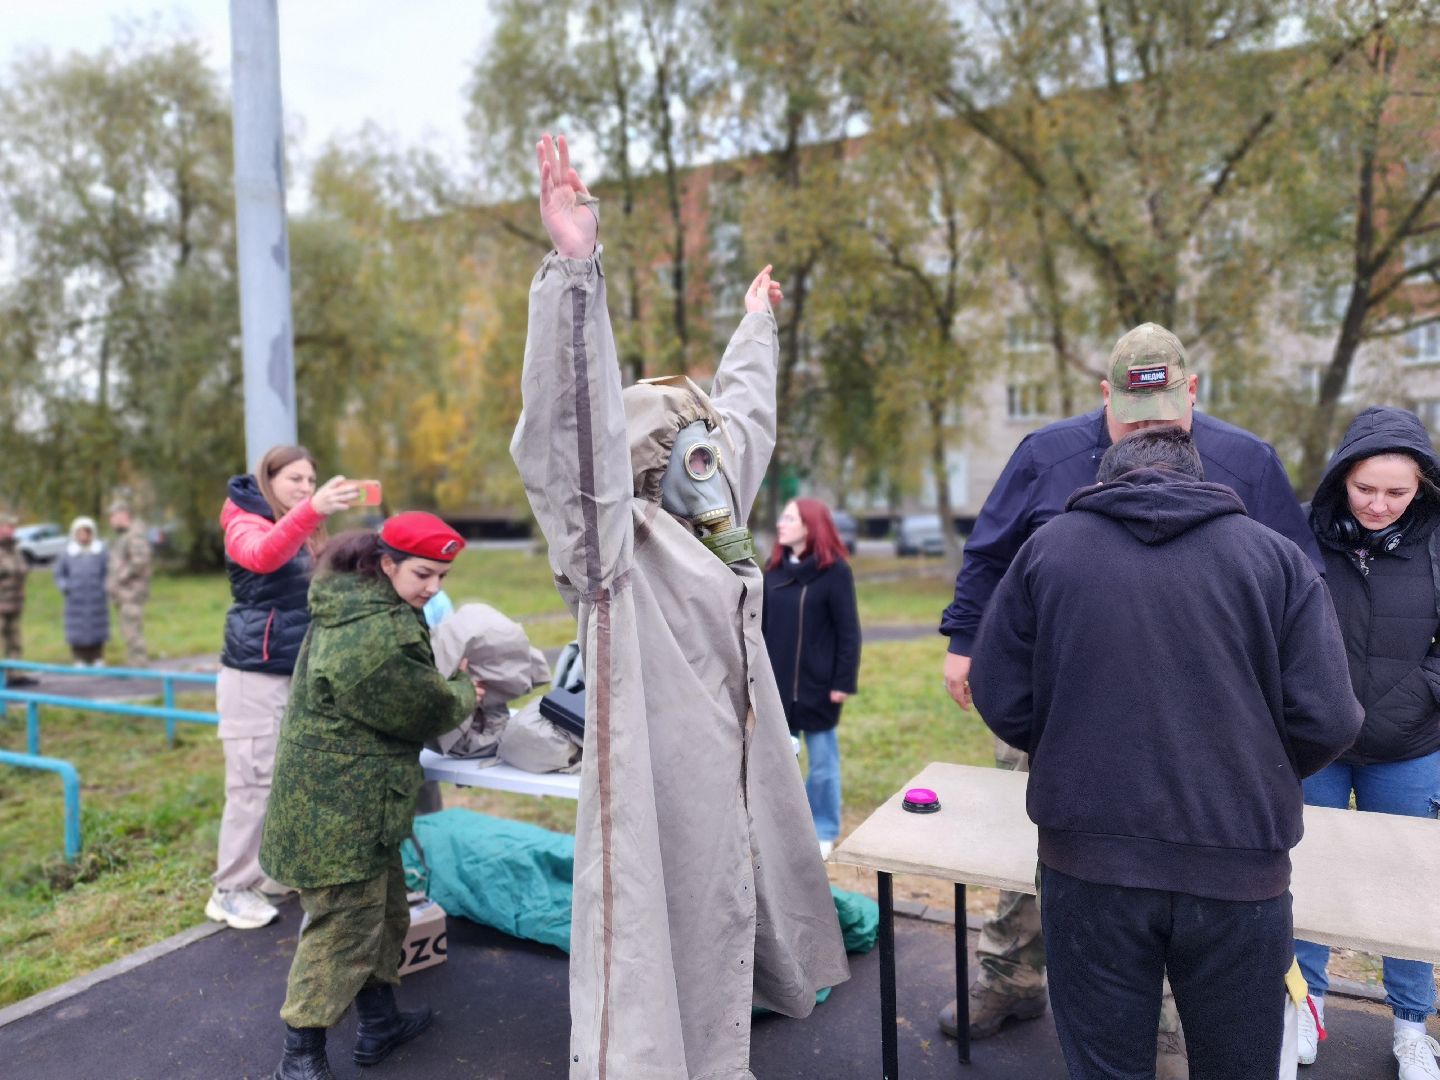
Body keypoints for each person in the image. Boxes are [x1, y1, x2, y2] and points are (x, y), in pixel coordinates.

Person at [512, 133, 848, 1079]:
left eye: (710, 450)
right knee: (662, 945)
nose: (715, 462)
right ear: (654, 466)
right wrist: (576, 275)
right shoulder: (613, 548)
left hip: (733, 763)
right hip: (656, 783)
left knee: (731, 905)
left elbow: (744, 422)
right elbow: (570, 432)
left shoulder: (719, 522)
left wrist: (755, 329)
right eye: (691, 451)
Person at [935, 322, 1324, 1074]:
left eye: (1167, 414)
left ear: (1195, 392)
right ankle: (1012, 977)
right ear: (1104, 393)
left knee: (1177, 881)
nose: (1149, 430)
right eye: (1132, 414)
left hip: (1210, 723)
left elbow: (1301, 589)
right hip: (1067, 705)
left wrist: (1267, 746)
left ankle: (1167, 1020)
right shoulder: (1044, 454)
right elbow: (990, 553)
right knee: (1062, 862)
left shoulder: (1246, 461)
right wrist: (965, 645)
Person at [260, 512, 479, 1080]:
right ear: (386, 564)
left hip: (357, 803)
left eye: (443, 577)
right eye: (424, 574)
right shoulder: (373, 636)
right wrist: (463, 691)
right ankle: (299, 1060)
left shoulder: (362, 601)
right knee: (341, 933)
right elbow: (420, 709)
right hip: (340, 809)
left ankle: (378, 1022)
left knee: (383, 913)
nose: (433, 588)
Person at [1293, 406, 1440, 1080]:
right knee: (1306, 875)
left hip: (1411, 746)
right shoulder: (1300, 532)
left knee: (1407, 886)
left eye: (1397, 492)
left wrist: (1412, 697)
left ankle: (1412, 1025)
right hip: (1315, 745)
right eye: (1364, 489)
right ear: (1340, 478)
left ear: (1422, 488)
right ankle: (1306, 1007)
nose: (1378, 504)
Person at [207, 447, 360, 931]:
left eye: (311, 480)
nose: (304, 487)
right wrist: (311, 511)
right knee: (251, 784)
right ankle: (230, 890)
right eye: (294, 478)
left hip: (292, 672)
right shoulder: (245, 520)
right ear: (268, 478)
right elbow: (261, 556)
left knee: (286, 778)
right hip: (254, 674)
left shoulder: (298, 527)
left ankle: (269, 872)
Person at [762, 498, 861, 859]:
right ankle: (778, 829)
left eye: (789, 517)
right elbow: (758, 629)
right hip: (775, 690)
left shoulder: (835, 573)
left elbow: (848, 632)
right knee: (775, 766)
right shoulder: (770, 572)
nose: (781, 523)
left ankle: (823, 828)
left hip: (819, 689)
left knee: (822, 766)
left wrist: (842, 681)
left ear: (810, 525)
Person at [54, 517, 109, 666]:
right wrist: (65, 587)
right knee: (77, 628)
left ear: (92, 533)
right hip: (75, 599)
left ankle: (97, 657)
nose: (84, 536)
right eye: (81, 532)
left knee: (97, 627)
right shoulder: (67, 553)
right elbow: (59, 574)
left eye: (87, 532)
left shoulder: (100, 551)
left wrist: (105, 586)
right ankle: (79, 657)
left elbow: (108, 572)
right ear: (75, 534)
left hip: (96, 597)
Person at [106, 499, 152, 664]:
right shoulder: (124, 535)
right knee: (128, 631)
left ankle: (139, 666)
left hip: (131, 592)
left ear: (123, 515)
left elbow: (139, 562)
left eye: (113, 516)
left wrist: (120, 576)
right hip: (124, 593)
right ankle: (135, 663)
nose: (111, 520)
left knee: (132, 631)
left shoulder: (134, 535)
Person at [0, 513, 34, 686]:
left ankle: (15, 675)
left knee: (15, 641)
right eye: (8, 526)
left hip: (14, 603)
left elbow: (22, 570)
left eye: (13, 527)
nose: (12, 530)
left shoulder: (15, 549)